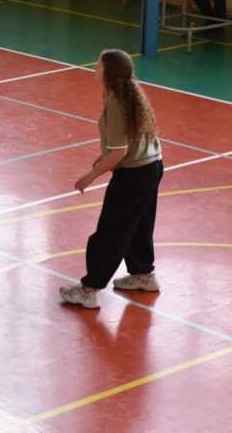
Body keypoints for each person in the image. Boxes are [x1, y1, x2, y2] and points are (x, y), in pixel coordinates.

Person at [60, 49, 164, 310]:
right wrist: (104, 154)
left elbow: (120, 152)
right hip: (151, 165)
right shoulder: (128, 92)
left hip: (135, 174)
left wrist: (90, 176)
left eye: (99, 65)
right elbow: (125, 140)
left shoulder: (118, 101)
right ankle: (143, 274)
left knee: (110, 231)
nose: (95, 68)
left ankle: (89, 290)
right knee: (139, 225)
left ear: (110, 72)